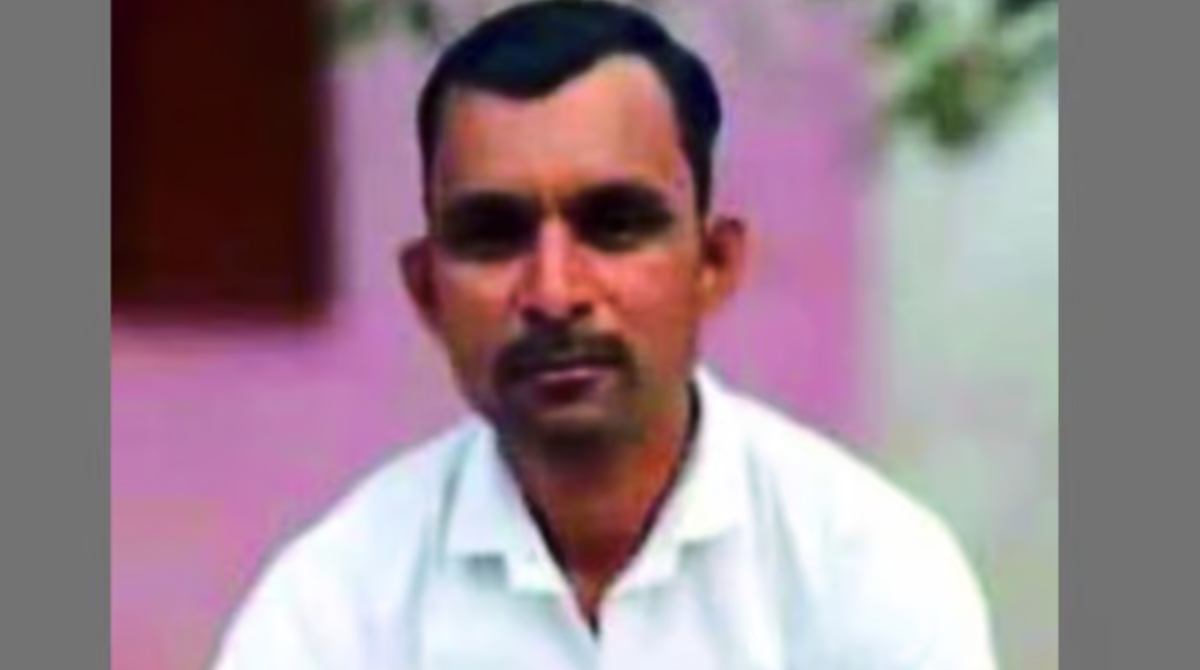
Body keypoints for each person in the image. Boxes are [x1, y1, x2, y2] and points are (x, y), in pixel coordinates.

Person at [213, 2, 995, 668]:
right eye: (495, 235)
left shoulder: (863, 573)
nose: (555, 293)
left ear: (713, 263)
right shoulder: (337, 609)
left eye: (614, 225)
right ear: (426, 290)